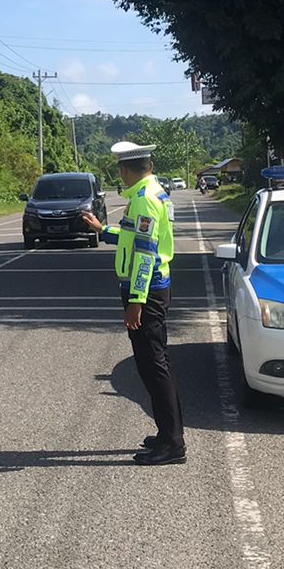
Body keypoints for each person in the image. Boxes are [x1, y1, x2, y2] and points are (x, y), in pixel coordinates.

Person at [80, 141, 186, 466]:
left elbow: (145, 254)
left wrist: (136, 301)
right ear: (148, 166)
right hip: (153, 289)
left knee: (153, 366)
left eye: (120, 169)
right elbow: (132, 236)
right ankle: (168, 433)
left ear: (125, 170)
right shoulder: (152, 193)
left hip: (147, 292)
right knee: (155, 364)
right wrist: (103, 230)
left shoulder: (144, 200)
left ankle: (172, 443)